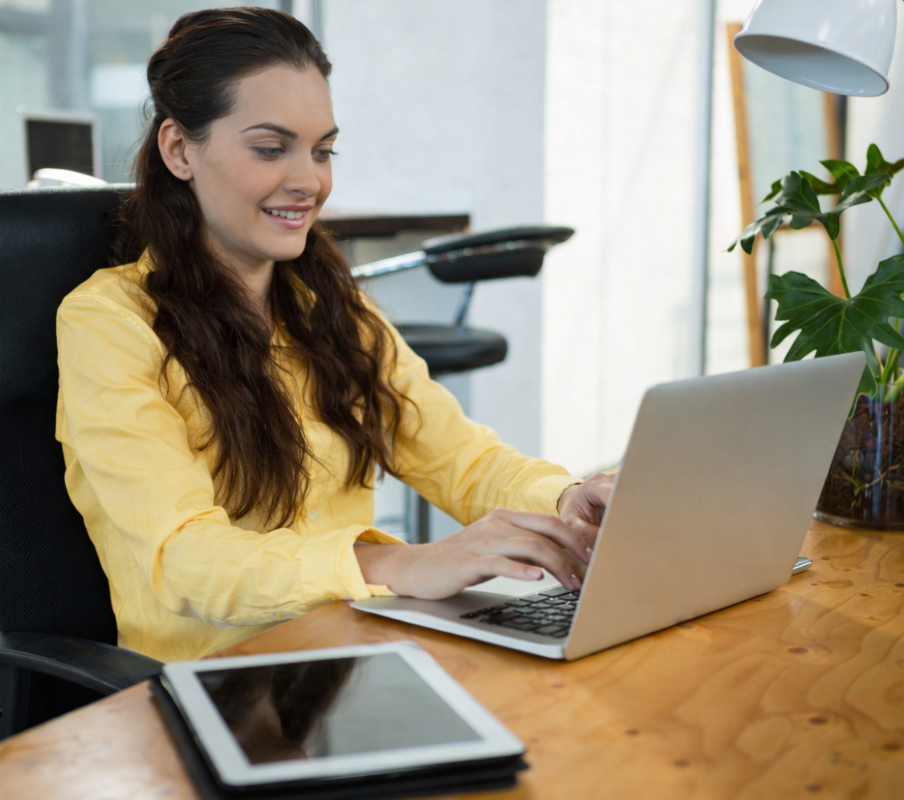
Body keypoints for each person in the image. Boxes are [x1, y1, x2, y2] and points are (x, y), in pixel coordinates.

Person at [55, 6, 614, 663]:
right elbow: (186, 559)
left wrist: (568, 500)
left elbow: (459, 456)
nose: (310, 182)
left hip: (354, 653)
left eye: (322, 151)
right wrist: (396, 566)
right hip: (220, 679)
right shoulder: (109, 324)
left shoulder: (330, 308)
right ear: (179, 150)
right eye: (271, 149)